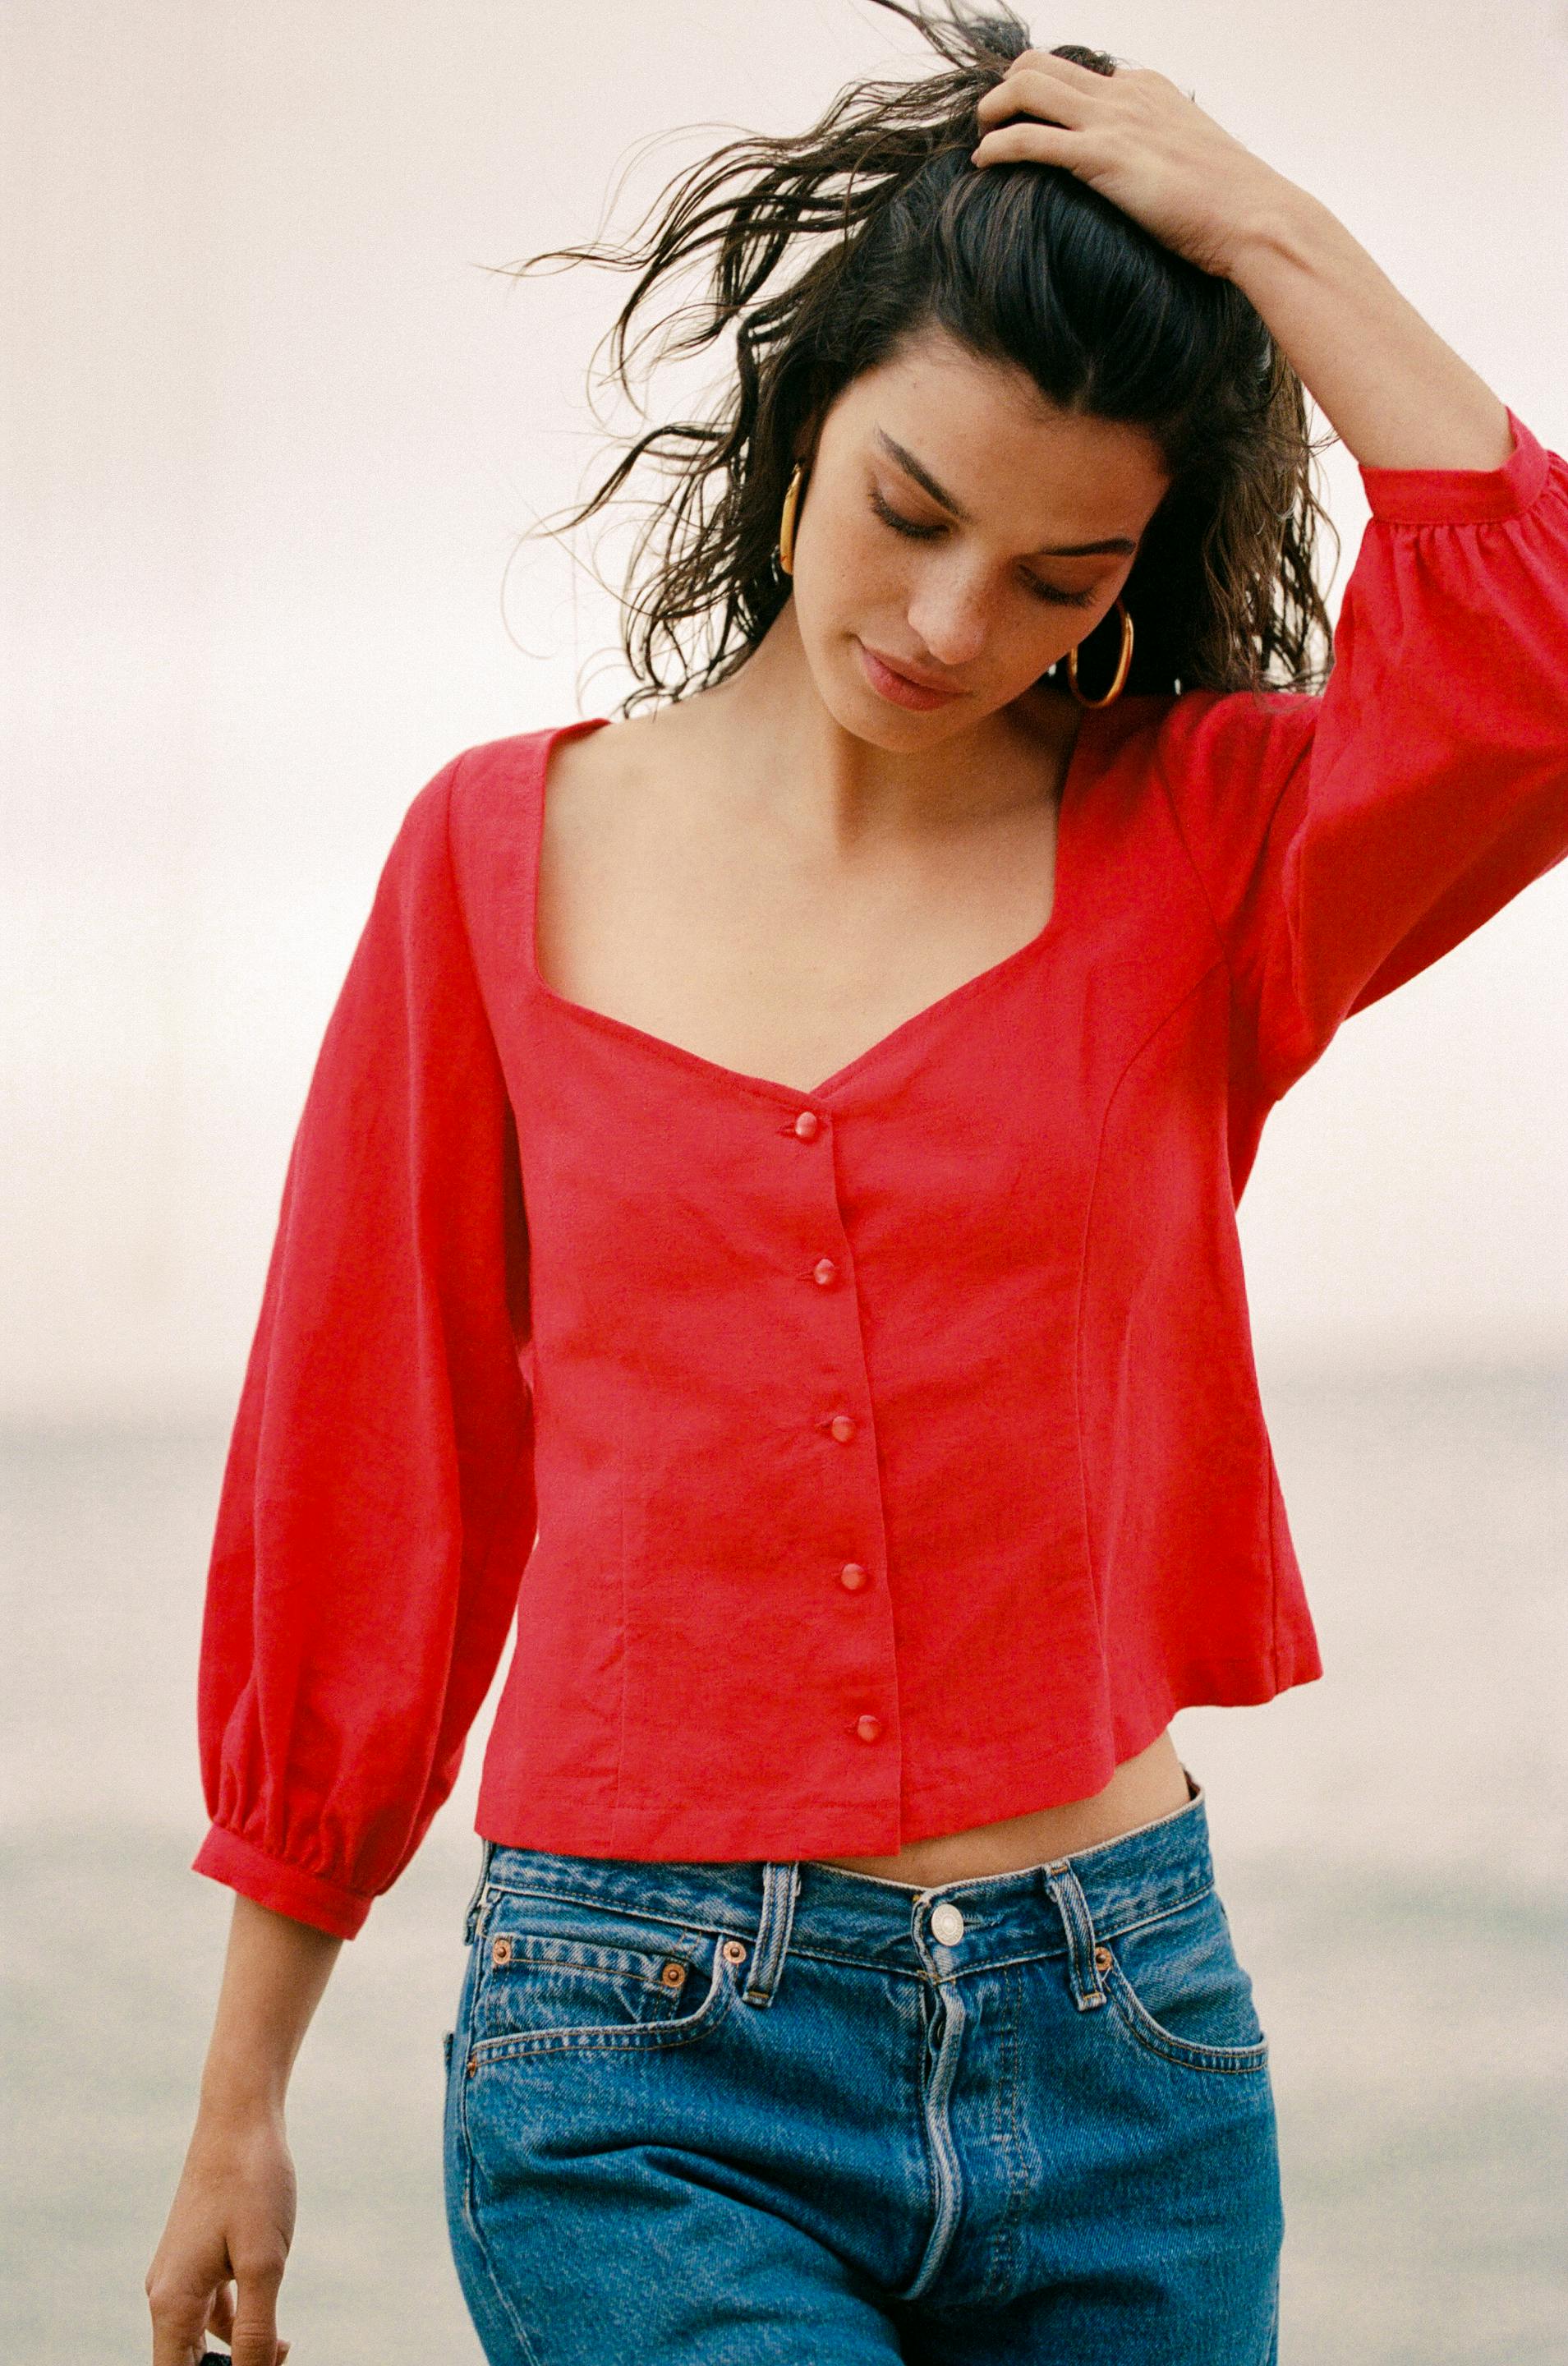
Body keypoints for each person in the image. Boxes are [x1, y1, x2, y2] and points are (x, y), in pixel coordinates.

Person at [145, 7, 1568, 2362]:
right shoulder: (495, 860)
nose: (945, 624)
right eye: (913, 511)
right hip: (643, 2070)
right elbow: (372, 1462)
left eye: (1056, 577)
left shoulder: (1207, 850)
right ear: (806, 412)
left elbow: (1528, 667)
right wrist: (240, 2093)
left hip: (1130, 2050)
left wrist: (1264, 224)